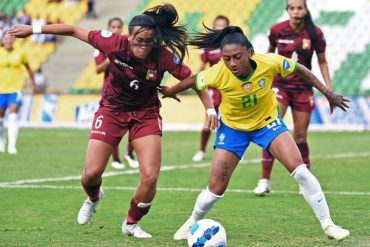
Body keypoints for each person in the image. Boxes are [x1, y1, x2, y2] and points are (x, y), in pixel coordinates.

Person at [8, 3, 217, 238]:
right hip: (111, 111)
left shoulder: (162, 56)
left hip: (145, 114)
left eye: (149, 41)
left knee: (150, 177)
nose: (143, 46)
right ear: (128, 37)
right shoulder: (112, 42)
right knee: (90, 175)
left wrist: (209, 110)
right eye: (139, 41)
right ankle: (94, 197)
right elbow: (74, 30)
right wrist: (34, 29)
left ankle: (131, 223)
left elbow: (195, 79)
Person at [161, 26, 350, 241]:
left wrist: (327, 92)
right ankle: (192, 221)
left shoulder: (269, 62)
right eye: (226, 58)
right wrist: (169, 91)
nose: (232, 63)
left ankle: (329, 225)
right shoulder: (217, 72)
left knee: (301, 172)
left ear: (249, 52)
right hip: (233, 129)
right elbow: (193, 81)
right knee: (215, 190)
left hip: (267, 123)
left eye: (237, 57)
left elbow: (300, 69)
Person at [253, 0, 333, 196]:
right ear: (287, 11)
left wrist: (328, 89)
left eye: (300, 8)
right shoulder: (277, 30)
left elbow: (322, 61)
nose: (296, 11)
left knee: (300, 136)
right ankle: (265, 180)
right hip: (280, 86)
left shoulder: (315, 33)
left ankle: (306, 182)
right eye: (292, 8)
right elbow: (268, 56)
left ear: (306, 10)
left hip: (304, 89)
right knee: (271, 129)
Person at [93, 17, 138, 169]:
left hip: (130, 92)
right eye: (113, 27)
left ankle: (129, 153)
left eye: (119, 27)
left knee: (135, 124)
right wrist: (111, 57)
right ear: (108, 28)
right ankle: (116, 159)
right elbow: (98, 69)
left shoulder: (127, 46)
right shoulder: (101, 48)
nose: (116, 30)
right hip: (111, 93)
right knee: (112, 127)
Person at [192, 15, 229, 162]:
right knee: (209, 118)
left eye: (223, 25)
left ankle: (233, 149)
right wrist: (200, 82)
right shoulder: (209, 45)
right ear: (214, 27)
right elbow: (203, 66)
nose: (220, 28)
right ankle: (201, 150)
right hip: (215, 87)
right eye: (218, 25)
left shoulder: (233, 42)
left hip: (230, 88)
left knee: (230, 120)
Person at [0, 33, 36, 154]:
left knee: (13, 116)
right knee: (0, 119)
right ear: (3, 40)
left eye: (11, 38)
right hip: (1, 90)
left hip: (15, 89)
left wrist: (33, 83)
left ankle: (11, 145)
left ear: (14, 40)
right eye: (6, 38)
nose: (8, 40)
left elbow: (28, 68)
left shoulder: (20, 53)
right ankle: (1, 142)